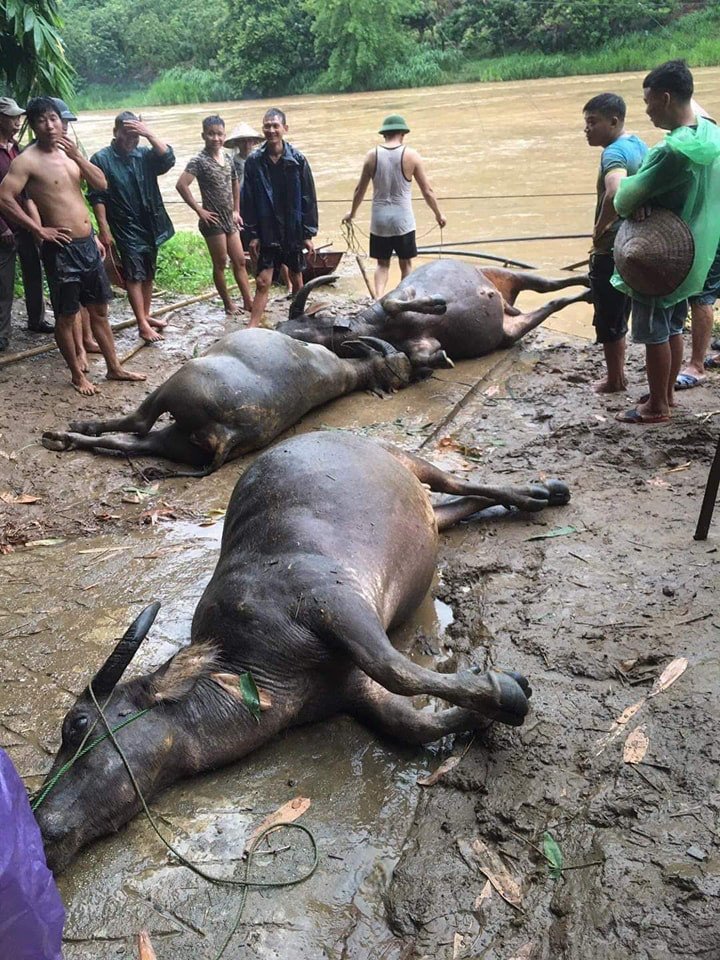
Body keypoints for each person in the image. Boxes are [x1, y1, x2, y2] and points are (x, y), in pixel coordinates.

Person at [0, 97, 145, 395]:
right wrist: (39, 229)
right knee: (67, 315)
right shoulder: (27, 160)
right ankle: (77, 375)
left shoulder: (70, 155)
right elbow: (4, 197)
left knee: (99, 311)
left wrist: (79, 157)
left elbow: (101, 184)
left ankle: (114, 367)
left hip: (87, 245)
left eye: (53, 118)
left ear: (61, 121)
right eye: (41, 120)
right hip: (61, 248)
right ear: (34, 125)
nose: (50, 125)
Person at [612, 60, 720, 424]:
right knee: (673, 324)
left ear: (666, 97)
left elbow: (623, 200)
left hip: (661, 256)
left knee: (654, 331)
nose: (645, 110)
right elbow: (698, 109)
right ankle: (668, 394)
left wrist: (636, 196)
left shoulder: (670, 152)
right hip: (696, 255)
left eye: (648, 101)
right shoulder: (710, 132)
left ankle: (657, 405)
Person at [89, 111, 175, 343]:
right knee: (134, 276)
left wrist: (147, 133)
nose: (131, 141)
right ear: (115, 132)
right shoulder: (102, 159)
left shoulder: (145, 154)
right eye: (127, 135)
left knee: (147, 272)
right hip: (125, 226)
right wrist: (104, 229)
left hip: (150, 224)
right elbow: (97, 197)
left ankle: (145, 316)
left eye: (135, 136)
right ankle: (141, 324)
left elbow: (168, 159)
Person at [583, 93, 648, 393]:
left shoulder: (613, 153)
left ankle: (615, 379)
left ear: (614, 121)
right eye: (586, 123)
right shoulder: (637, 144)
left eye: (592, 122)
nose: (587, 129)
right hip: (636, 243)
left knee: (609, 315)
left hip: (611, 248)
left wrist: (602, 225)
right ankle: (618, 375)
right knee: (623, 311)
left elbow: (615, 189)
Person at [342, 114, 446, 298]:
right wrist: (439, 215)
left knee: (382, 264)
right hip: (403, 220)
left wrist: (352, 213)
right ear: (403, 134)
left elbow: (359, 190)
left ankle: (378, 298)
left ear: (384, 135)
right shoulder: (412, 156)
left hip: (379, 220)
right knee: (406, 264)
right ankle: (404, 299)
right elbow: (427, 191)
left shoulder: (371, 156)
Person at [241, 107, 318, 327]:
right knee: (263, 281)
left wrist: (307, 233)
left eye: (276, 126)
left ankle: (298, 317)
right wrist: (252, 234)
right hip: (267, 230)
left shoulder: (298, 160)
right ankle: (252, 326)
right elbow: (248, 200)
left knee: (296, 274)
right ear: (263, 128)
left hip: (292, 229)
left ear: (285, 128)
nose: (271, 130)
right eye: (267, 126)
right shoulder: (254, 161)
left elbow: (308, 197)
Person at [176, 115, 253, 316]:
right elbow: (182, 185)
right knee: (220, 263)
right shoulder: (198, 161)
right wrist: (199, 210)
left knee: (240, 261)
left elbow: (235, 182)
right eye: (211, 134)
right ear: (203, 136)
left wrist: (237, 210)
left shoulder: (228, 158)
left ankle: (248, 301)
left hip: (230, 219)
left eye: (219, 134)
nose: (215, 138)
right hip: (213, 221)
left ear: (224, 135)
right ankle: (228, 304)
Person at [0, 96, 52, 351]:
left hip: (24, 225)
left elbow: (26, 191)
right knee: (4, 283)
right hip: (5, 230)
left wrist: (35, 225)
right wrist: (3, 227)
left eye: (19, 116)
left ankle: (37, 319)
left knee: (34, 273)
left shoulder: (15, 148)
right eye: (12, 117)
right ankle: (2, 335)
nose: (18, 121)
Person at [676, 100, 719, 388]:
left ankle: (697, 365)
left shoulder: (698, 149)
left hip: (711, 232)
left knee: (701, 296)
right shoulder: (712, 141)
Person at [224, 121, 263, 190]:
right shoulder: (231, 164)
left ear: (254, 142)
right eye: (242, 141)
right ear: (237, 143)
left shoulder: (260, 160)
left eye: (249, 140)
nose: (246, 144)